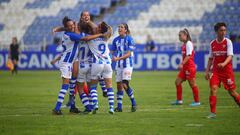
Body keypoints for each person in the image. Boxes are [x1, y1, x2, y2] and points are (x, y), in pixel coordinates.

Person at [52, 16, 104, 115]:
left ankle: (72, 106)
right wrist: (100, 34)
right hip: (66, 62)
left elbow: (66, 28)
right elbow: (86, 38)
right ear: (67, 27)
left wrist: (56, 29)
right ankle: (57, 108)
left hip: (72, 60)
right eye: (70, 26)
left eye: (73, 25)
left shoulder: (68, 32)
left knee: (72, 84)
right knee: (65, 86)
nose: (72, 27)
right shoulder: (70, 35)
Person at [205, 22, 240, 119]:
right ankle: (213, 113)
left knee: (232, 92)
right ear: (216, 31)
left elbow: (230, 56)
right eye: (221, 30)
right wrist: (207, 71)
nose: (223, 32)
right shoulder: (212, 43)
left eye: (225, 30)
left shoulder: (228, 42)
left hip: (227, 72)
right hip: (216, 71)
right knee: (213, 89)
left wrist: (224, 64)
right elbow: (211, 58)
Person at [87, 22, 115, 114]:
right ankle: (111, 107)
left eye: (98, 26)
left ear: (99, 29)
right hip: (107, 63)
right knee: (109, 87)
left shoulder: (91, 38)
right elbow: (110, 30)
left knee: (93, 87)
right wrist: (106, 27)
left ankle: (95, 105)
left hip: (97, 63)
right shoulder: (105, 38)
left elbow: (85, 38)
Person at [171, 28, 200, 107]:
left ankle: (197, 101)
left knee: (192, 84)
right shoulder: (184, 45)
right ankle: (179, 100)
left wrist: (181, 64)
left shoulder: (189, 44)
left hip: (190, 67)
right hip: (185, 68)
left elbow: (189, 56)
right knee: (177, 82)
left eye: (180, 35)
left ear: (185, 35)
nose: (179, 37)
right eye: (178, 36)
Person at [112, 23, 137, 112]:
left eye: (121, 27)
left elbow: (129, 53)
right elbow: (112, 51)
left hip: (127, 65)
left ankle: (133, 102)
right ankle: (119, 107)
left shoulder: (129, 39)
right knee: (119, 85)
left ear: (125, 30)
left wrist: (117, 58)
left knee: (125, 84)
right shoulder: (115, 40)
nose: (119, 28)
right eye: (119, 27)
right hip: (119, 66)